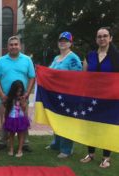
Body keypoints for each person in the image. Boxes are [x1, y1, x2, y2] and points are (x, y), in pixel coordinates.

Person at [80, 27, 119, 168]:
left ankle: (106, 157)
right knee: (91, 126)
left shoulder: (116, 56)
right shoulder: (90, 55)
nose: (102, 38)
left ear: (110, 38)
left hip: (110, 99)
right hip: (91, 97)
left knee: (106, 127)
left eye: (105, 36)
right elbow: (83, 76)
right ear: (96, 39)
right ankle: (90, 154)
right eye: (99, 36)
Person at [0, 35, 35, 151]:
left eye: (16, 44)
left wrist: (26, 94)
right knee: (5, 120)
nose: (13, 47)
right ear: (7, 47)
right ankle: (2, 142)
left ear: (20, 46)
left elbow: (32, 77)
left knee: (24, 121)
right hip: (5, 99)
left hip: (22, 98)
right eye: (11, 45)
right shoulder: (1, 61)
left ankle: (25, 143)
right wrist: (2, 95)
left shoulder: (27, 60)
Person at [46, 32, 82, 158]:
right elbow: (49, 72)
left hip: (68, 96)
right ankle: (56, 144)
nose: (63, 42)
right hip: (56, 96)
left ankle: (66, 149)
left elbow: (77, 78)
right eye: (61, 40)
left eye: (65, 41)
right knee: (57, 120)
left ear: (70, 43)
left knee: (66, 122)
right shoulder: (56, 58)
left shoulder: (73, 58)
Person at [4, 80, 30, 158]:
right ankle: (11, 149)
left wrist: (23, 102)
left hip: (21, 119)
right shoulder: (10, 98)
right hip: (11, 118)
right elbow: (7, 108)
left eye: (20, 91)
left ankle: (20, 150)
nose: (19, 93)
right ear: (13, 90)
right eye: (17, 91)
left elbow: (24, 109)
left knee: (21, 134)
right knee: (11, 134)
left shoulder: (23, 98)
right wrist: (5, 118)